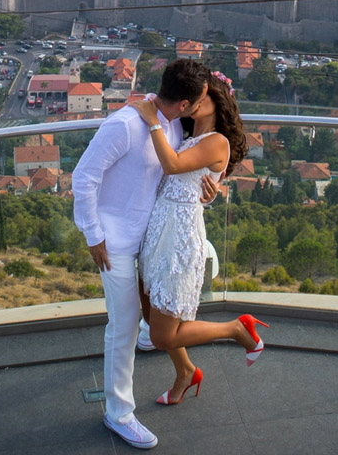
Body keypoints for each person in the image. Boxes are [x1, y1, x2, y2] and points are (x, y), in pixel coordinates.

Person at [72, 59, 219, 450]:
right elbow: (83, 178)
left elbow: (179, 173)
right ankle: (118, 414)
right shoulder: (124, 124)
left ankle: (147, 338)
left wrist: (209, 189)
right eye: (203, 97)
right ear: (187, 102)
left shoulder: (171, 125)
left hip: (150, 239)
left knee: (143, 316)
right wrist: (93, 234)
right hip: (115, 244)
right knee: (120, 328)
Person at [129, 72, 267, 407]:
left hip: (178, 238)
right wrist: (209, 195)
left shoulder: (218, 141)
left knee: (162, 334)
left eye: (200, 96)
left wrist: (151, 122)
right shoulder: (187, 133)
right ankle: (186, 372)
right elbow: (193, 185)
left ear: (216, 100)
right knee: (151, 315)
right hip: (159, 230)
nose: (191, 101)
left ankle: (237, 330)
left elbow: (174, 166)